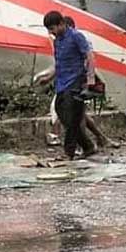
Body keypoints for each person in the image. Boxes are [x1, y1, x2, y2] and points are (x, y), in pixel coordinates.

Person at [39, 10, 96, 160]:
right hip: (62, 83)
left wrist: (90, 80)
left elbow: (89, 57)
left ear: (61, 24)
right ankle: (88, 146)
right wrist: (49, 79)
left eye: (52, 28)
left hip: (76, 82)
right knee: (63, 114)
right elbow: (59, 64)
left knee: (73, 118)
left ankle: (68, 153)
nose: (51, 33)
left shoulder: (76, 36)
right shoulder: (57, 41)